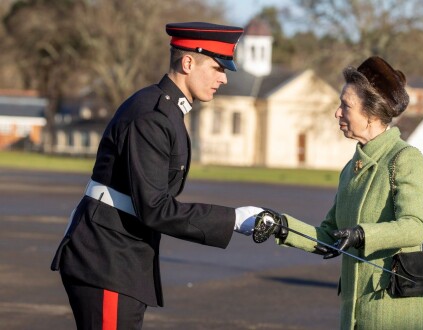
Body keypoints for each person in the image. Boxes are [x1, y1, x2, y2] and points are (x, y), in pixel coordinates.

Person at [51, 22, 264, 329]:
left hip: (120, 257)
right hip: (108, 258)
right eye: (218, 68)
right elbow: (154, 207)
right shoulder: (152, 116)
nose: (224, 79)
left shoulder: (166, 111)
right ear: (188, 62)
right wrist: (232, 220)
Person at [256, 56, 423, 329]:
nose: (337, 112)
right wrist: (281, 226)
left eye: (345, 105)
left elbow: (416, 227)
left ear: (371, 114)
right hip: (353, 315)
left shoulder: (405, 158)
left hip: (392, 312)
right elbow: (330, 235)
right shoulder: (351, 168)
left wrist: (362, 234)